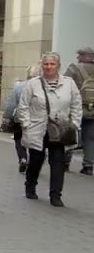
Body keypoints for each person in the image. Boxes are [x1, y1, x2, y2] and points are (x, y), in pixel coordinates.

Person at [16, 52, 84, 207]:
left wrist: (74, 123)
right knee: (36, 160)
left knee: (58, 162)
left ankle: (55, 195)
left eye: (52, 64)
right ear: (42, 66)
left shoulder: (69, 83)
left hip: (60, 129)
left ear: (58, 66)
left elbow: (76, 105)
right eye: (46, 64)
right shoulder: (33, 83)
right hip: (38, 128)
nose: (48, 67)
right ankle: (30, 185)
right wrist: (26, 124)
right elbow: (24, 105)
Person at [62, 45, 94, 175]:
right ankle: (88, 165)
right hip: (92, 109)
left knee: (71, 133)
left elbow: (64, 85)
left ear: (83, 56)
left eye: (79, 55)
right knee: (90, 137)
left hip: (77, 107)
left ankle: (65, 162)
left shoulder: (73, 68)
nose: (77, 57)